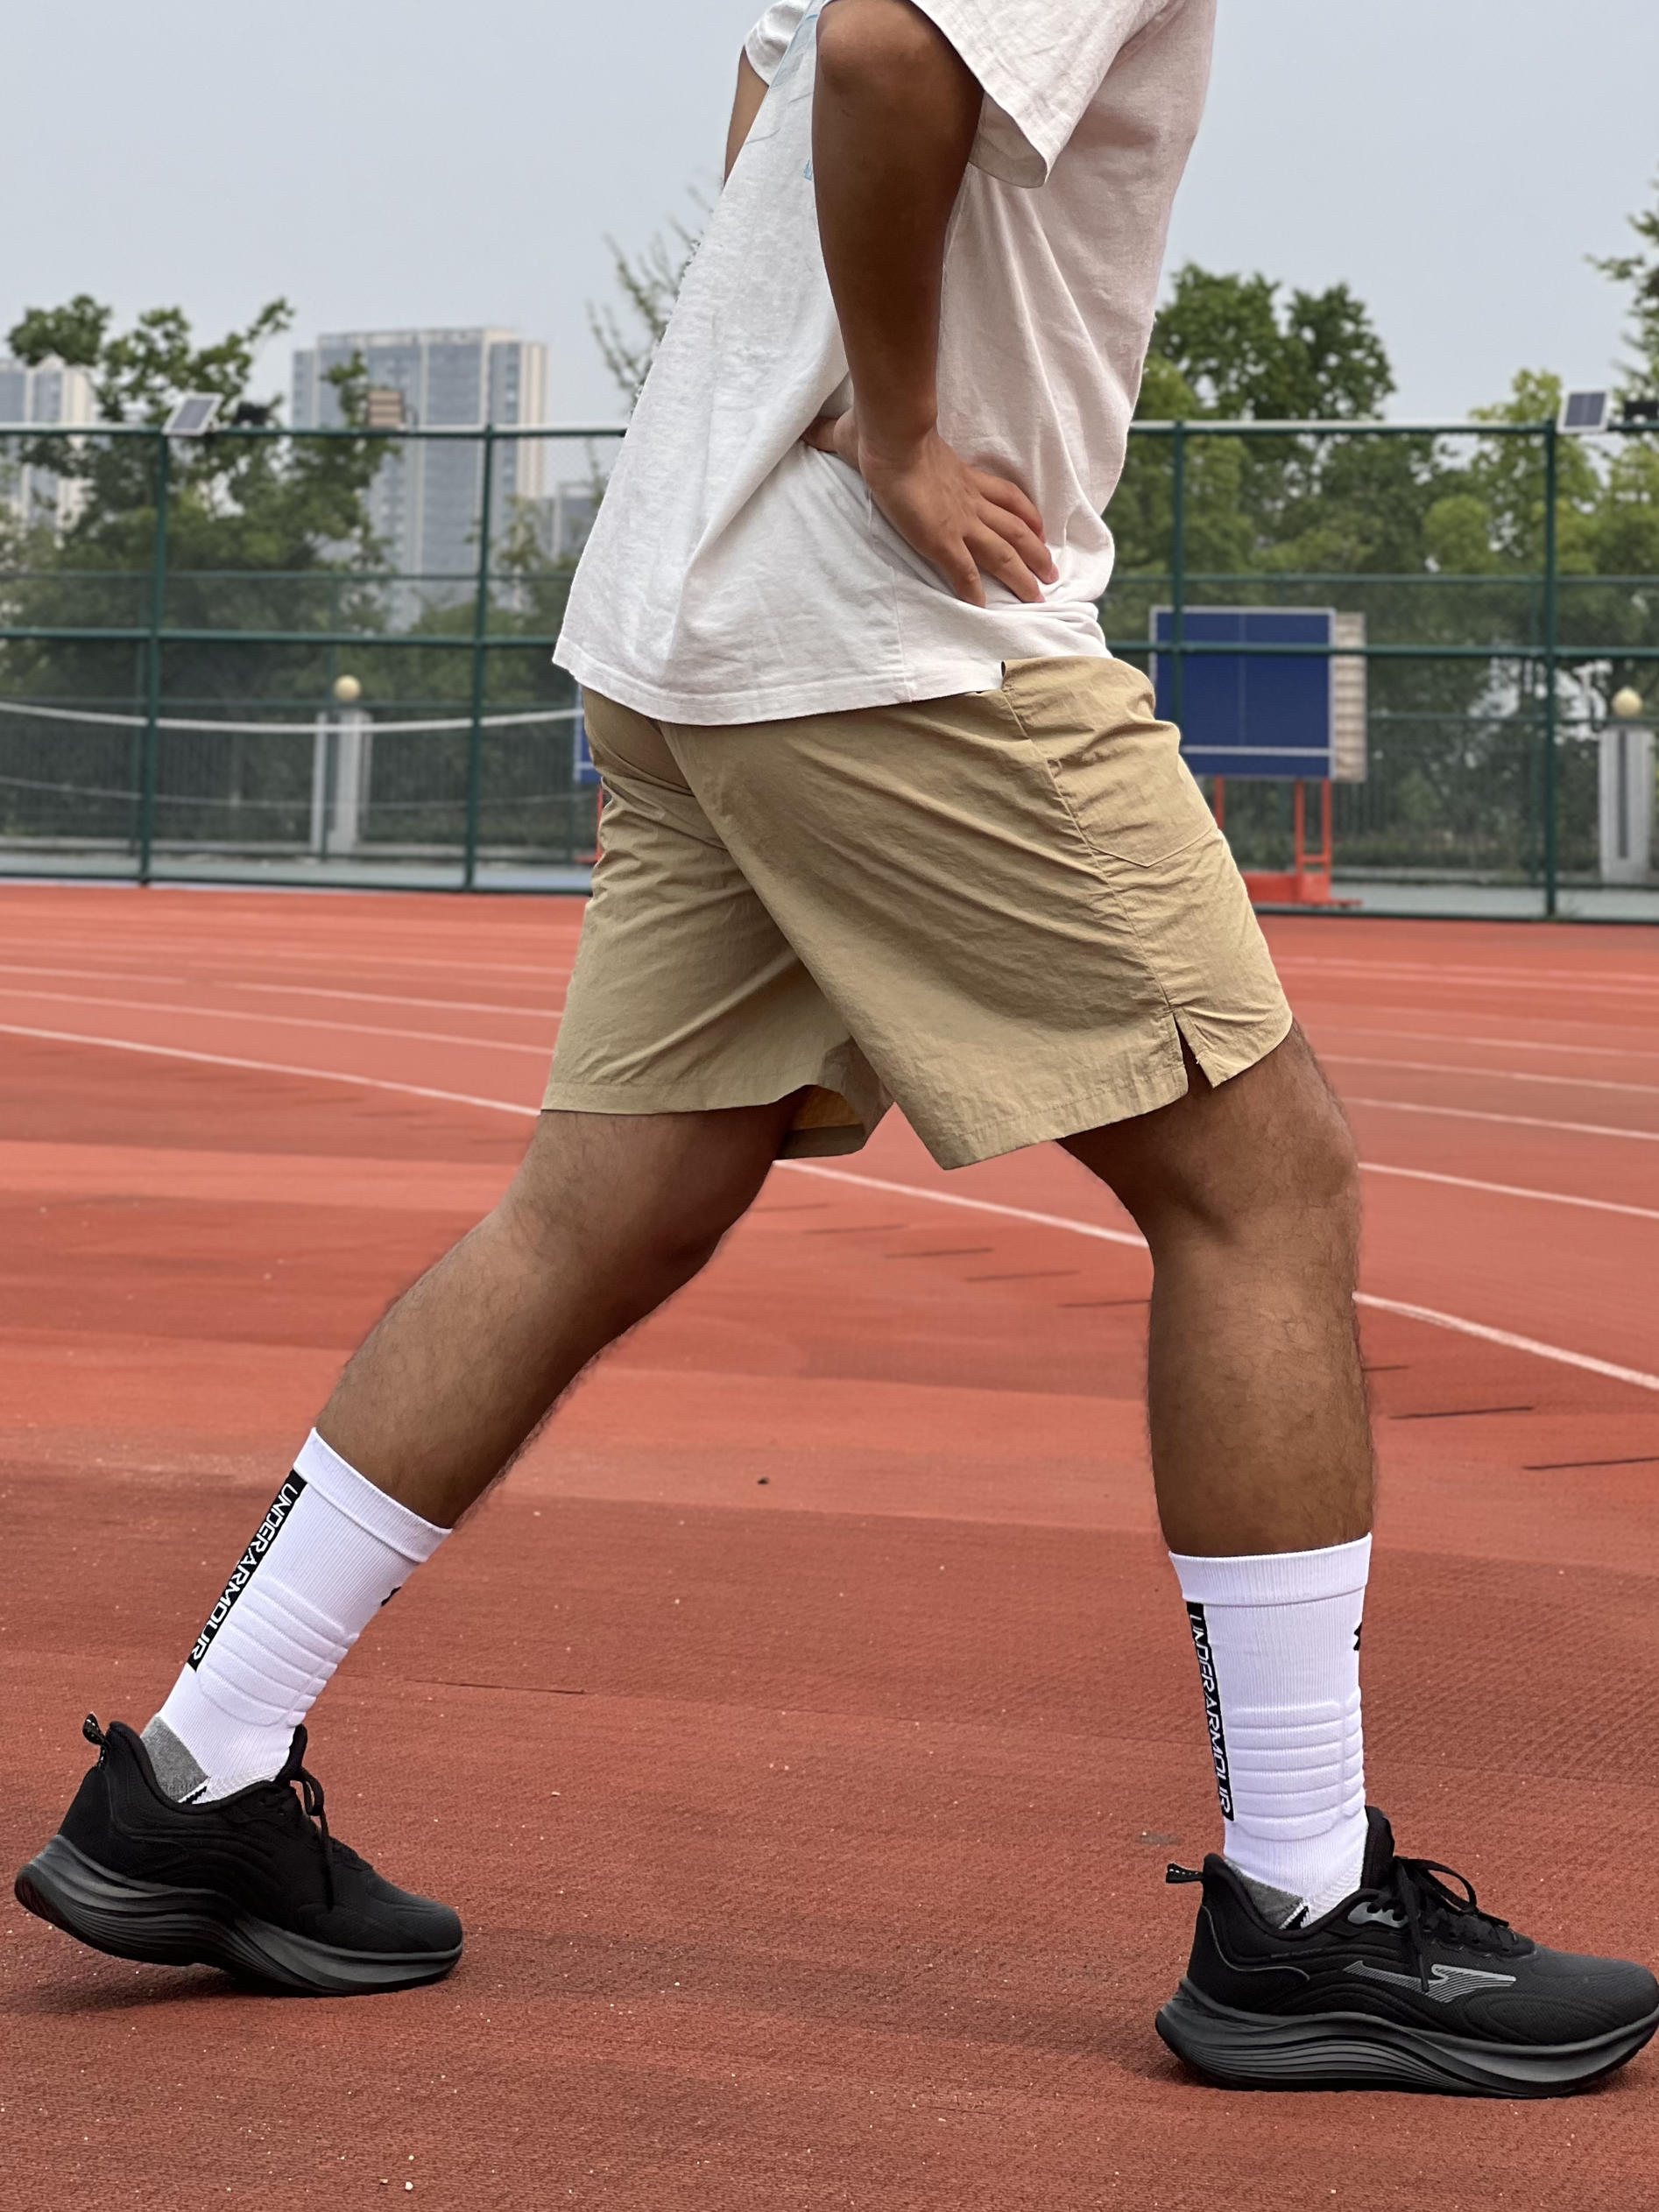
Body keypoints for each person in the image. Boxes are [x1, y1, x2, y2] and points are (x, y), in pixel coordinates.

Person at [18, 0, 1656, 2091]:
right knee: (1261, 1184)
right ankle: (1303, 1908)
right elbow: (884, 51)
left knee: (591, 1214)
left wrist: (783, 403)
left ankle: (201, 1771)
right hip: (891, 642)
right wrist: (889, 428)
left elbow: (773, 70)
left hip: (693, 607)